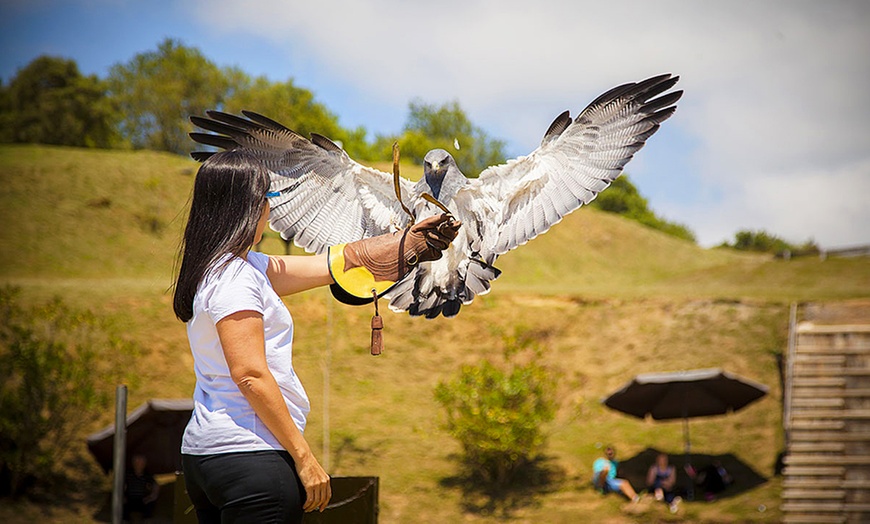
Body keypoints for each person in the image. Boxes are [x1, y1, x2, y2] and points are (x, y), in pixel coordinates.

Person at [173, 149, 459, 523]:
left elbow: (325, 265)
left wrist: (401, 244)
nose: (270, 210)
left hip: (207, 457)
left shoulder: (221, 269)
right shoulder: (237, 280)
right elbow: (250, 376)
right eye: (266, 199)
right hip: (252, 457)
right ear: (244, 207)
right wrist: (304, 457)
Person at [123, 454, 160, 522]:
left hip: (142, 499)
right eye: (137, 463)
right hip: (130, 499)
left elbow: (155, 485)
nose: (139, 465)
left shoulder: (147, 475)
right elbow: (121, 485)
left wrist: (151, 497)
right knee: (124, 507)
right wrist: (123, 496)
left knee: (150, 505)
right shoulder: (128, 474)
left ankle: (145, 519)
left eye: (141, 463)